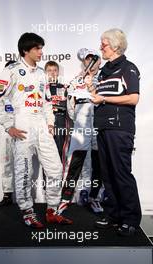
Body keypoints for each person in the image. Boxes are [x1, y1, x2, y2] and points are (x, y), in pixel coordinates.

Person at [0, 32, 72, 228]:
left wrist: (50, 123)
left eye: (41, 48)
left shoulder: (43, 73)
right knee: (24, 171)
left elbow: (45, 102)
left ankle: (52, 210)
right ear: (26, 50)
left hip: (42, 125)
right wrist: (9, 126)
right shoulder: (13, 70)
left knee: (55, 168)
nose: (41, 52)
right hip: (22, 123)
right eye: (37, 48)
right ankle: (28, 212)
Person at [90, 28, 142, 236]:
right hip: (102, 127)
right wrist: (90, 89)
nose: (100, 47)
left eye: (103, 44)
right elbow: (98, 96)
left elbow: (133, 98)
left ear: (115, 46)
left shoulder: (128, 68)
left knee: (121, 174)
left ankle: (130, 219)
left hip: (120, 129)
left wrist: (104, 98)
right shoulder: (104, 70)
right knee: (108, 175)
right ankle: (113, 216)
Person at [57, 48, 103, 214]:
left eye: (92, 58)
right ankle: (65, 198)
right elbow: (70, 106)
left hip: (99, 122)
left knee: (99, 161)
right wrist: (79, 121)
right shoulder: (76, 80)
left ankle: (95, 197)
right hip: (82, 123)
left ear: (98, 60)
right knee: (76, 159)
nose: (89, 62)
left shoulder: (106, 77)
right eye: (86, 59)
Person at [0, 60, 16, 206]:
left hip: (23, 129)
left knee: (25, 163)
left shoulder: (24, 89)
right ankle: (7, 194)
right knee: (6, 161)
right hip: (7, 130)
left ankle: (26, 195)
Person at [44, 61, 67, 161]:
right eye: (49, 70)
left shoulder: (64, 87)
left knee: (59, 148)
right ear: (45, 73)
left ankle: (59, 176)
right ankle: (46, 176)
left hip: (60, 118)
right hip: (46, 120)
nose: (52, 73)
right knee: (46, 151)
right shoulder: (41, 87)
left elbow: (69, 106)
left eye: (55, 70)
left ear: (58, 72)